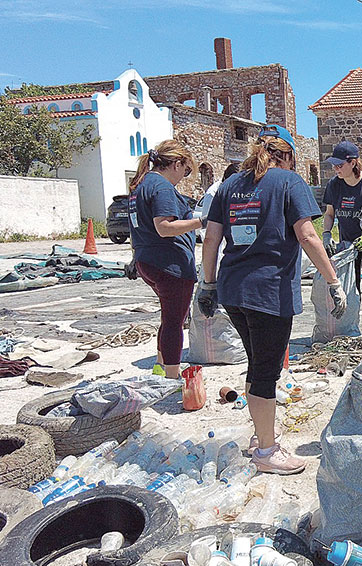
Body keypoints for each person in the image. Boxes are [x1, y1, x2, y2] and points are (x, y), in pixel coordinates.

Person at [198, 125, 347, 475]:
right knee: (266, 371)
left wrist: (207, 284)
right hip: (268, 291)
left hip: (232, 288)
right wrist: (333, 280)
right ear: (289, 156)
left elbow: (210, 238)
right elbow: (308, 235)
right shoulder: (289, 182)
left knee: (256, 363)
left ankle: (259, 433)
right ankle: (266, 451)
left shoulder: (231, 184)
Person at [127, 139, 202, 379]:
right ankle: (172, 375)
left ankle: (160, 365)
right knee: (174, 322)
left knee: (168, 316)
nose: (184, 177)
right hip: (170, 264)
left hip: (147, 259)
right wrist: (203, 221)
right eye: (186, 171)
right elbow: (164, 227)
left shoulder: (141, 184)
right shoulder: (162, 188)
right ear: (177, 164)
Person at [321, 141, 362, 339]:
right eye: (334, 165)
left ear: (353, 163)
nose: (336, 169)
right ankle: (352, 323)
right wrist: (326, 233)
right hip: (348, 242)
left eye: (340, 165)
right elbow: (330, 213)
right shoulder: (335, 185)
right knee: (351, 284)